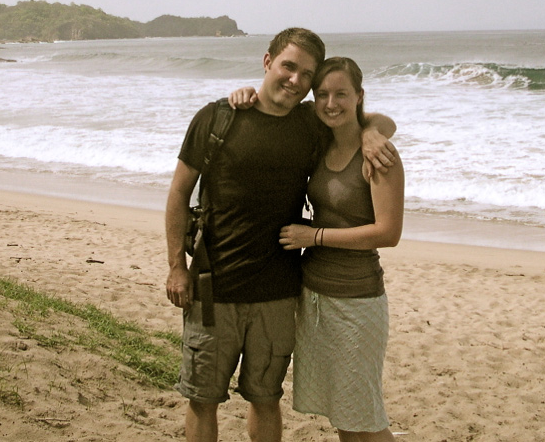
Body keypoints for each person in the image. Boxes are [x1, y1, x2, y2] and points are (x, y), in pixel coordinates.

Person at [165, 28, 396, 442]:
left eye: (306, 74)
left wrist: (372, 132)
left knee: (266, 398)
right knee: (202, 399)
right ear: (267, 61)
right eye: (289, 66)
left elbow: (358, 118)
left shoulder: (309, 123)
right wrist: (175, 267)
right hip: (213, 287)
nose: (295, 80)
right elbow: (179, 193)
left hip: (279, 292)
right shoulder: (218, 117)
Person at [279, 57, 405, 441]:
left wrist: (314, 236)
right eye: (322, 95)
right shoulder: (321, 144)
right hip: (315, 297)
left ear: (359, 96)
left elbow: (388, 233)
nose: (331, 103)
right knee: (342, 414)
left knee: (364, 417)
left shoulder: (379, 156)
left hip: (357, 299)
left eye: (341, 94)